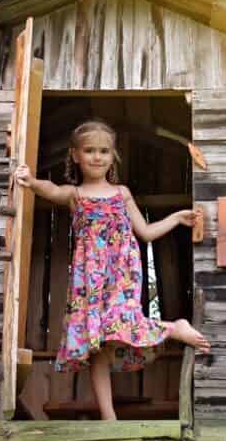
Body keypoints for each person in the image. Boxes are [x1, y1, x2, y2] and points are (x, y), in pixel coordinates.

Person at [13, 119, 210, 420]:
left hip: (121, 273)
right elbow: (50, 189)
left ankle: (174, 328)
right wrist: (30, 179)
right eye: (89, 150)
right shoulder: (75, 195)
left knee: (121, 324)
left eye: (104, 151)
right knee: (97, 347)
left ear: (113, 156)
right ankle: (109, 417)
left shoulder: (122, 193)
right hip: (88, 281)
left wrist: (175, 219)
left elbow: (144, 231)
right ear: (75, 155)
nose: (97, 157)